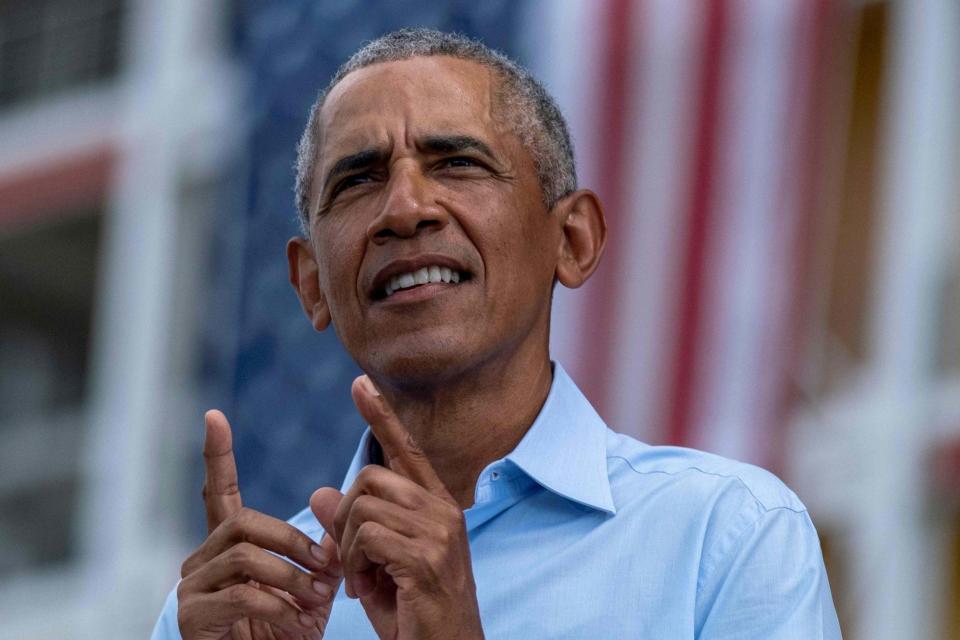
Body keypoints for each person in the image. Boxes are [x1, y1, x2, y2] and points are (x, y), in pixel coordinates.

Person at [152, 28, 842, 639]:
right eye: (359, 179)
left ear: (571, 240)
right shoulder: (238, 608)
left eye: (457, 163)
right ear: (311, 285)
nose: (405, 207)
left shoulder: (725, 536)